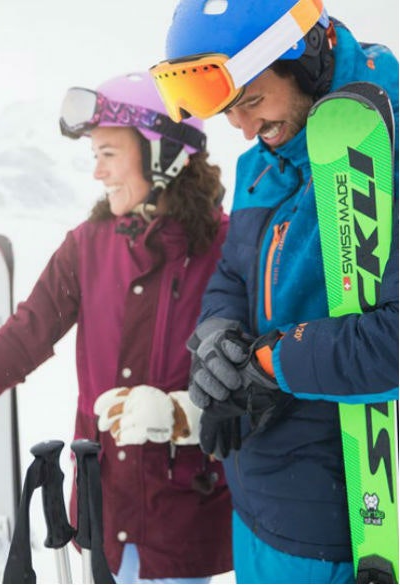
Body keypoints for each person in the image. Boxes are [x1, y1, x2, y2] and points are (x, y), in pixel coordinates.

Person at [0, 71, 233, 583]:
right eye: (94, 155)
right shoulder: (89, 245)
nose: (97, 172)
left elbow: (251, 369)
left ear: (164, 154)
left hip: (182, 514)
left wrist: (184, 414)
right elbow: (24, 336)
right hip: (104, 509)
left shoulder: (225, 248)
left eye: (108, 153)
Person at [149, 1, 399, 583]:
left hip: (352, 528)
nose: (242, 128)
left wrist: (270, 364)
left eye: (253, 100)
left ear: (307, 59)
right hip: (260, 511)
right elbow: (233, 275)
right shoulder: (260, 167)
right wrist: (217, 337)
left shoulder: (386, 150)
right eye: (228, 110)